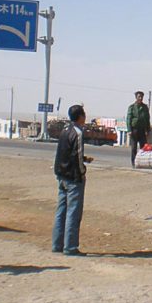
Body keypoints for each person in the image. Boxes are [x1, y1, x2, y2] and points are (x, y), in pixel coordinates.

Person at [52, 104, 94, 256]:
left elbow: (64, 152)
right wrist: (82, 172)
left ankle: (57, 244)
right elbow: (76, 156)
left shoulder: (64, 130)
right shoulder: (77, 133)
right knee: (73, 212)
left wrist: (84, 159)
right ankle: (70, 247)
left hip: (61, 175)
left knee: (61, 210)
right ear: (81, 116)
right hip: (73, 177)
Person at [126, 91, 151, 167]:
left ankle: (142, 162)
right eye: (139, 96)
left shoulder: (145, 107)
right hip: (134, 130)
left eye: (141, 97)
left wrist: (148, 130)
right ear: (136, 97)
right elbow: (128, 119)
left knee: (143, 148)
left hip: (142, 130)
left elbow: (147, 119)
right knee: (134, 148)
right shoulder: (132, 107)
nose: (140, 98)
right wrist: (129, 130)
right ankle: (134, 163)